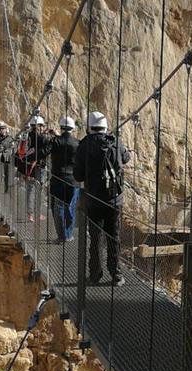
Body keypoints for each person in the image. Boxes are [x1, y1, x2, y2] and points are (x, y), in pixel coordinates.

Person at [75, 111, 131, 286]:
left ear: (89, 127)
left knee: (95, 238)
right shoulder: (116, 142)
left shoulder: (84, 145)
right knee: (113, 237)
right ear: (105, 127)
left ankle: (94, 275)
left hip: (93, 200)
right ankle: (116, 275)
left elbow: (77, 176)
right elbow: (127, 158)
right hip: (115, 200)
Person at [16, 115, 53, 221]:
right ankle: (37, 213)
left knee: (30, 190)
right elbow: (48, 149)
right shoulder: (42, 138)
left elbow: (20, 152)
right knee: (39, 191)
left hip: (27, 167)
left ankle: (30, 214)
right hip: (39, 167)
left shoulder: (25, 137)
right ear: (39, 126)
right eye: (42, 126)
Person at [50, 116, 80, 242]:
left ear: (61, 128)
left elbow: (44, 151)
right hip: (73, 180)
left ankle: (61, 236)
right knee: (71, 207)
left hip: (58, 179)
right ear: (72, 128)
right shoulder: (78, 143)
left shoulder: (56, 141)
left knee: (59, 207)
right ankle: (69, 234)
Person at [0, 123, 13, 192]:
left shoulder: (10, 138)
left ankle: (6, 188)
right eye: (0, 129)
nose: (2, 130)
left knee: (7, 174)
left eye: (3, 128)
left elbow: (13, 148)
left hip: (7, 159)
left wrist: (7, 150)